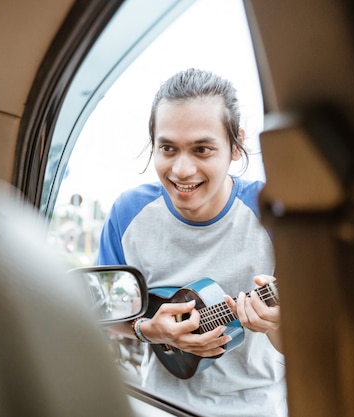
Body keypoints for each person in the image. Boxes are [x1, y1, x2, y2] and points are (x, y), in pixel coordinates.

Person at [96, 68, 286, 416]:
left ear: (235, 146)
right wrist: (148, 330)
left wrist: (276, 325)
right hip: (158, 404)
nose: (182, 170)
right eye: (167, 148)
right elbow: (104, 311)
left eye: (202, 149)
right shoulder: (128, 213)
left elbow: (315, 346)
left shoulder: (273, 214)